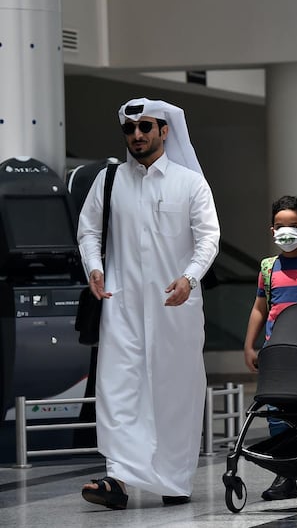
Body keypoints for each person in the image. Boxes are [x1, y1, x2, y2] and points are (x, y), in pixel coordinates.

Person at [78, 98, 220, 509]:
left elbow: (209, 237)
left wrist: (190, 277)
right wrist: (94, 267)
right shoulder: (109, 181)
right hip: (120, 306)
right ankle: (117, 479)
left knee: (175, 392)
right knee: (118, 389)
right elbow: (88, 231)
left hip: (175, 308)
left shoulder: (190, 183)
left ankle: (174, 480)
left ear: (164, 130)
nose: (137, 135)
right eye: (130, 129)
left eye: (146, 126)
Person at [243, 195, 297, 501]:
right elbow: (259, 308)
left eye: (293, 226)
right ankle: (286, 473)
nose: (286, 232)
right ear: (271, 231)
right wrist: (250, 345)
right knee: (277, 414)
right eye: (280, 226)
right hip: (276, 353)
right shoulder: (268, 267)